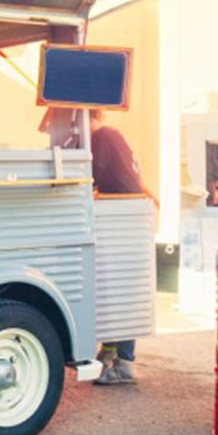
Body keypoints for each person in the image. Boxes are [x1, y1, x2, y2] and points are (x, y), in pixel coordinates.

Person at [89, 108, 156, 385]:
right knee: (118, 285)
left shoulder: (102, 137)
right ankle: (111, 350)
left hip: (125, 218)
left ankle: (125, 364)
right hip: (133, 214)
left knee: (120, 287)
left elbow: (91, 176)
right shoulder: (112, 134)